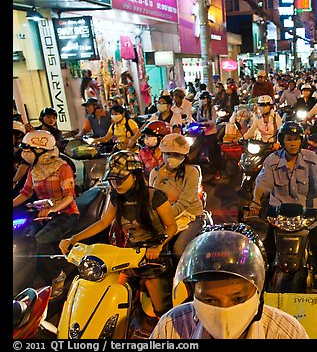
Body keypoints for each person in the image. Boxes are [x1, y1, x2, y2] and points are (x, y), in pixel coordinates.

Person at [59, 150, 178, 317]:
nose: (117, 184)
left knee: (160, 305)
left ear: (136, 175)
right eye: (113, 180)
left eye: (121, 179)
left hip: (154, 252)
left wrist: (158, 246)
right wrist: (74, 238)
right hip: (129, 251)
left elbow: (171, 226)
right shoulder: (116, 197)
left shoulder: (155, 196)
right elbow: (103, 222)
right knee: (114, 289)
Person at [150, 223, 309, 339]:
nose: (224, 313)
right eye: (210, 300)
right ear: (193, 294)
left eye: (238, 299)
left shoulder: (287, 334)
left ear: (258, 292)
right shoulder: (170, 328)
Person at [250, 121, 317, 293]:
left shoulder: (312, 159)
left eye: (296, 139)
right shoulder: (272, 161)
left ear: (301, 141)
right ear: (282, 141)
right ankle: (260, 293)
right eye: (289, 139)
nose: (293, 143)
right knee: (263, 256)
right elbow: (262, 184)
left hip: (308, 219)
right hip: (279, 220)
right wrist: (256, 202)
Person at [13, 130, 79, 298]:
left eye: (28, 150)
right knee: (25, 241)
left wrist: (52, 209)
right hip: (42, 215)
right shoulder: (33, 170)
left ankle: (57, 275)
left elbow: (69, 196)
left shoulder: (62, 167)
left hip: (66, 214)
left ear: (40, 150)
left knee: (40, 241)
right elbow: (25, 193)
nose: (24, 154)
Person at [149, 133, 208, 263]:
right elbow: (152, 198)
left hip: (190, 216)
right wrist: (159, 178)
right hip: (164, 218)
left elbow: (183, 203)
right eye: (168, 154)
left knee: (178, 248)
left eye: (176, 155)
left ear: (184, 156)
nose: (171, 158)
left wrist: (165, 216)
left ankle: (183, 279)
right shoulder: (155, 172)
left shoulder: (191, 172)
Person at [196, 90, 223, 179]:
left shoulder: (212, 109)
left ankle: (217, 171)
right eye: (201, 99)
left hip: (211, 133)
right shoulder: (199, 109)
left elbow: (213, 121)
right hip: (201, 133)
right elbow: (197, 120)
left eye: (203, 99)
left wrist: (207, 124)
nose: (202, 101)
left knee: (213, 152)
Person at [13, 120, 30, 194]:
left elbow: (24, 165)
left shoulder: (26, 152)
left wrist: (14, 182)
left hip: (24, 190)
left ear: (19, 136)